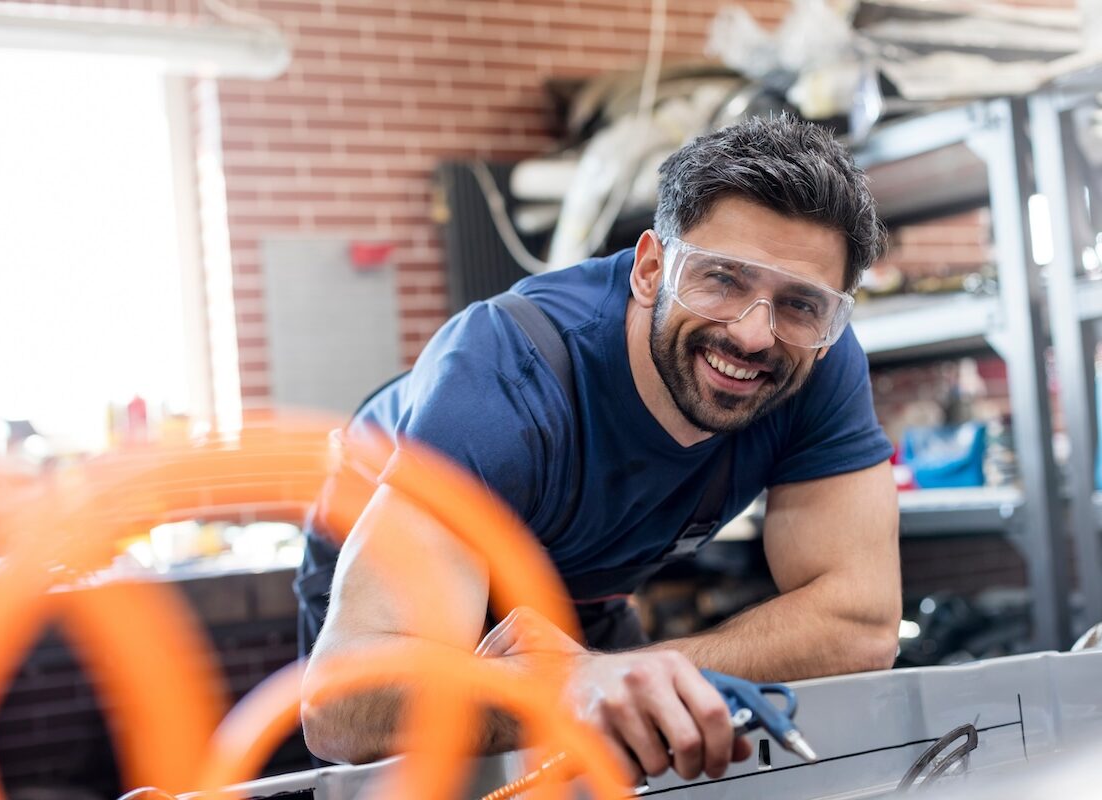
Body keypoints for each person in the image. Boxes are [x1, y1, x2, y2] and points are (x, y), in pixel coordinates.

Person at [297, 114, 902, 783]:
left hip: (581, 592)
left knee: (643, 753)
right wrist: (568, 688)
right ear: (649, 269)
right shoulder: (506, 377)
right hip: (404, 590)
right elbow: (342, 703)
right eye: (723, 279)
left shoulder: (814, 357)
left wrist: (619, 677)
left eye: (800, 303)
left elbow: (860, 624)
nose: (757, 335)